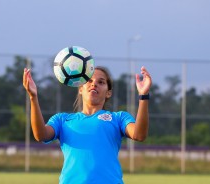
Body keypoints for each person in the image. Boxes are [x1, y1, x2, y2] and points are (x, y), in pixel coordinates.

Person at [23, 65, 152, 184]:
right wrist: (33, 97)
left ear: (108, 92)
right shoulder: (62, 120)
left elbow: (139, 135)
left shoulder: (118, 118)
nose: (94, 84)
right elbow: (40, 135)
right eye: (89, 81)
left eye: (101, 82)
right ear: (80, 88)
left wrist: (143, 95)